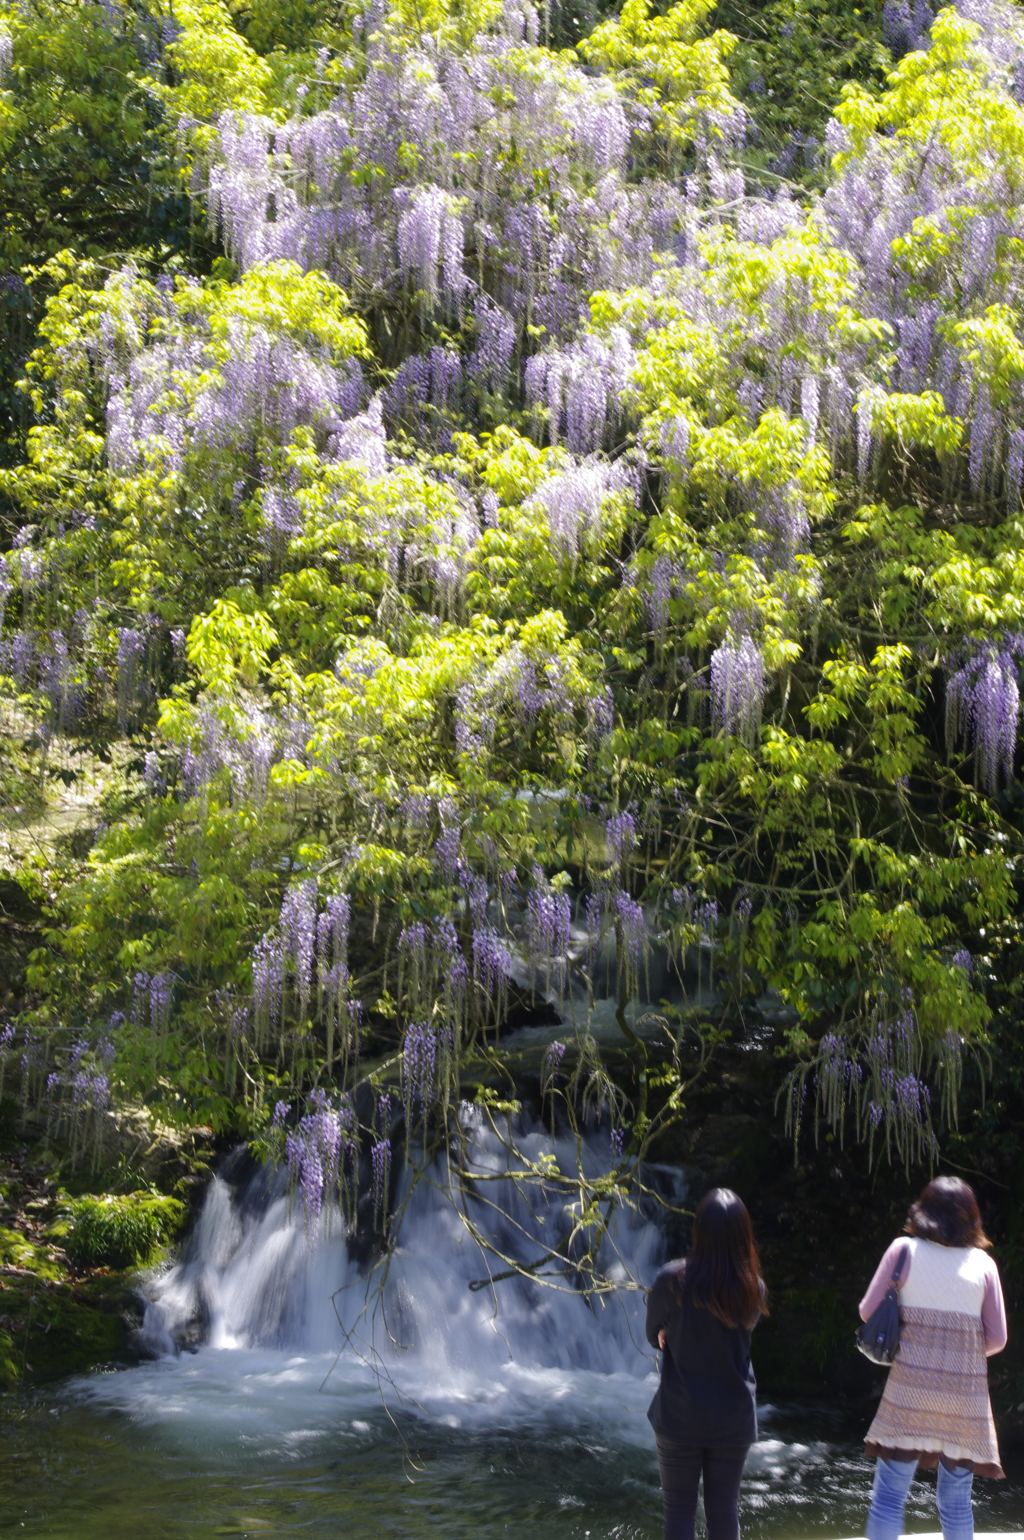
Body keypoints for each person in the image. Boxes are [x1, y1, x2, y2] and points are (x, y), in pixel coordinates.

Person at [859, 1175, 1008, 1540]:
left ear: (922, 1210)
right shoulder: (984, 1265)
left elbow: (867, 1312)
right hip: (964, 1401)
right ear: (971, 1218)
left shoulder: (903, 1251)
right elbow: (998, 1338)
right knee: (956, 1504)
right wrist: (960, 1355)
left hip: (910, 1392)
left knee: (889, 1498)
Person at [645, 1187, 767, 1540]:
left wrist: (666, 1333)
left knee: (679, 1514)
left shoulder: (672, 1280)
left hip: (680, 1415)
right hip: (733, 1417)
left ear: (698, 1231)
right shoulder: (753, 1288)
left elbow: (652, 1332)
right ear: (743, 1235)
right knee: (724, 1512)